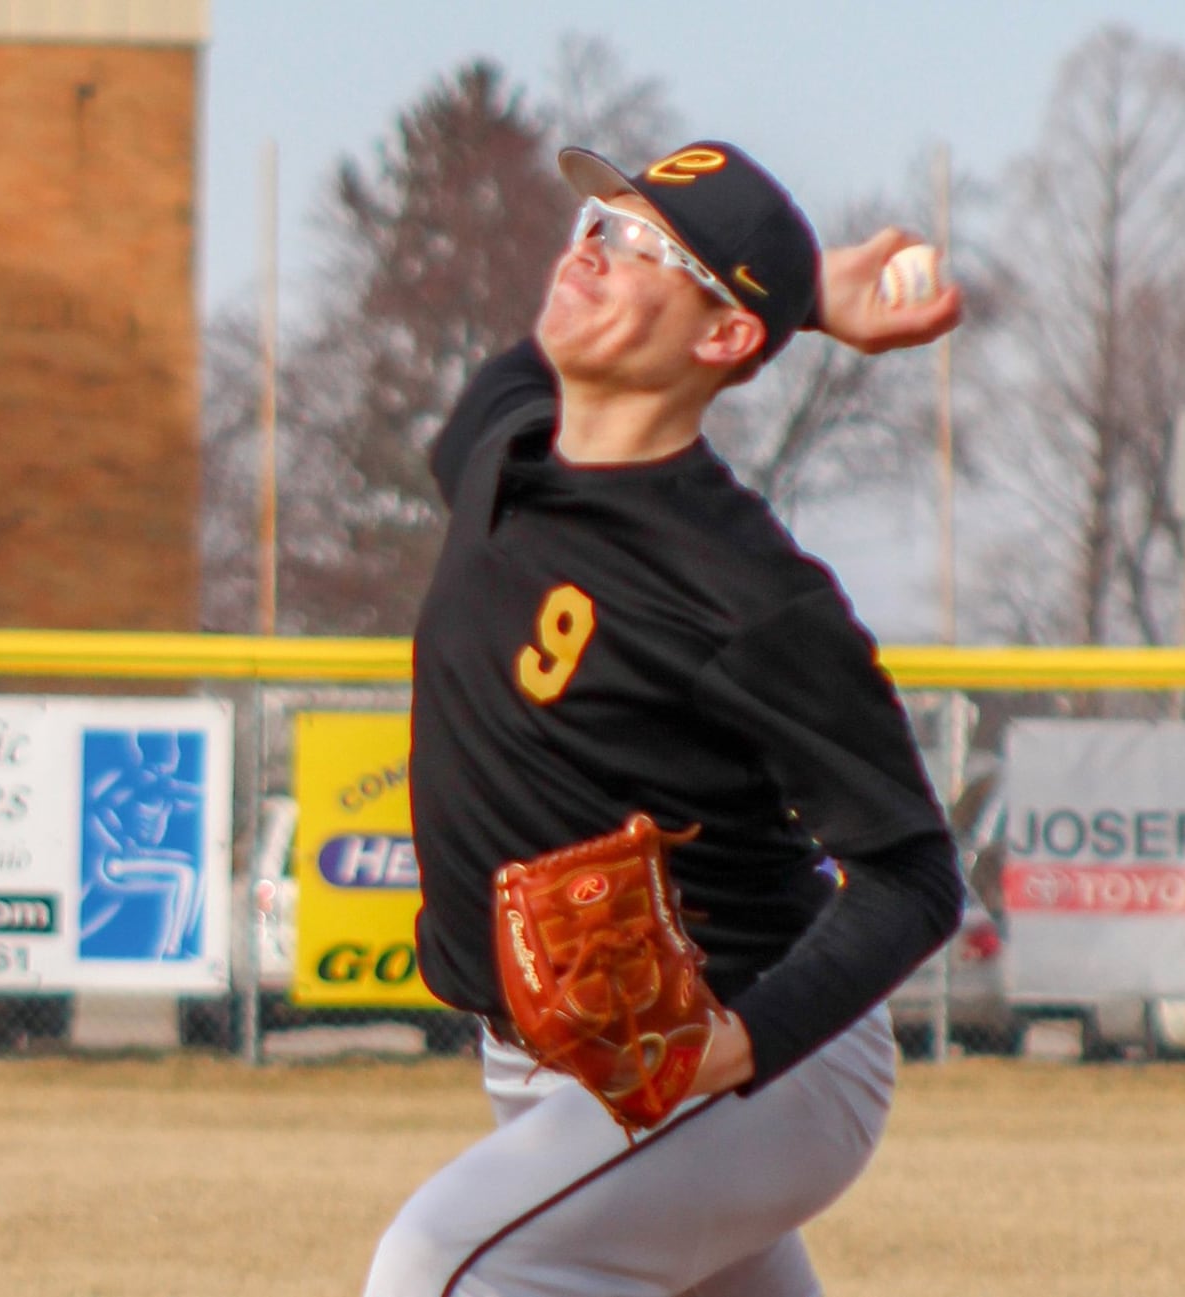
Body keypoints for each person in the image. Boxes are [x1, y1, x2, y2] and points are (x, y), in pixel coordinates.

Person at [363, 140, 965, 1297]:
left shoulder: (743, 589)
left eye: (642, 243)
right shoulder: (504, 447)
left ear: (721, 337)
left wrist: (732, 1051)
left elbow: (914, 872)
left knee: (437, 1265)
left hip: (751, 1066)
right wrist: (813, 302)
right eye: (597, 215)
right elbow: (536, 353)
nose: (589, 245)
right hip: (557, 1070)